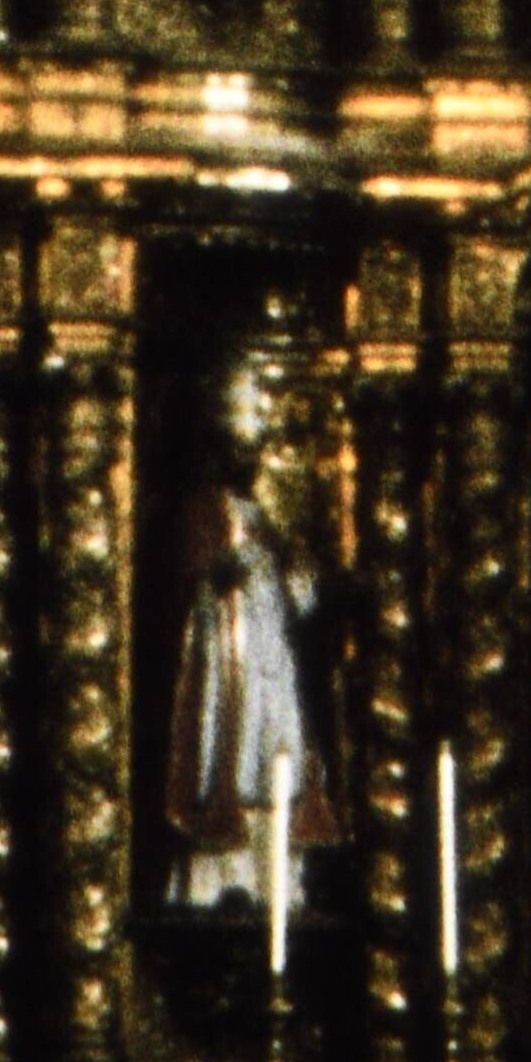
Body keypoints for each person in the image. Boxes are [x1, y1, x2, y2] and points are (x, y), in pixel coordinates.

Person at [168, 340, 338, 910]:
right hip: (227, 652)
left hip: (269, 652)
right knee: (232, 744)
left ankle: (275, 861)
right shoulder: (202, 509)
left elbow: (302, 598)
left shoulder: (266, 517)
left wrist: (293, 563)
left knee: (278, 746)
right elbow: (194, 580)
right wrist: (223, 571)